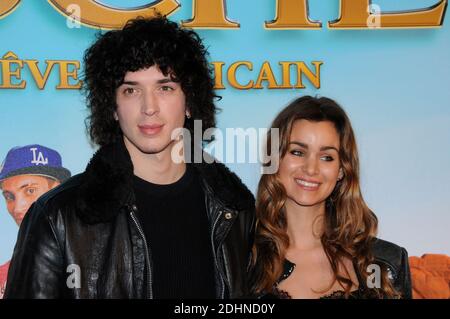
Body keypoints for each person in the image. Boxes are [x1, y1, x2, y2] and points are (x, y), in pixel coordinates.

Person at [4, 16, 255, 299]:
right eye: (131, 90)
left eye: (165, 88)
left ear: (189, 102)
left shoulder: (234, 209)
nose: (149, 107)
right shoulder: (58, 215)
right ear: (113, 107)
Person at [249, 96, 412, 299]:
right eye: (297, 152)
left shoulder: (385, 263)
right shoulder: (240, 259)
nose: (311, 169)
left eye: (327, 157)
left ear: (342, 169)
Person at [0, 144, 71, 298]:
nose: (17, 208)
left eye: (30, 191)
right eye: (9, 197)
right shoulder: (3, 276)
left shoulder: (94, 258)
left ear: (58, 189)